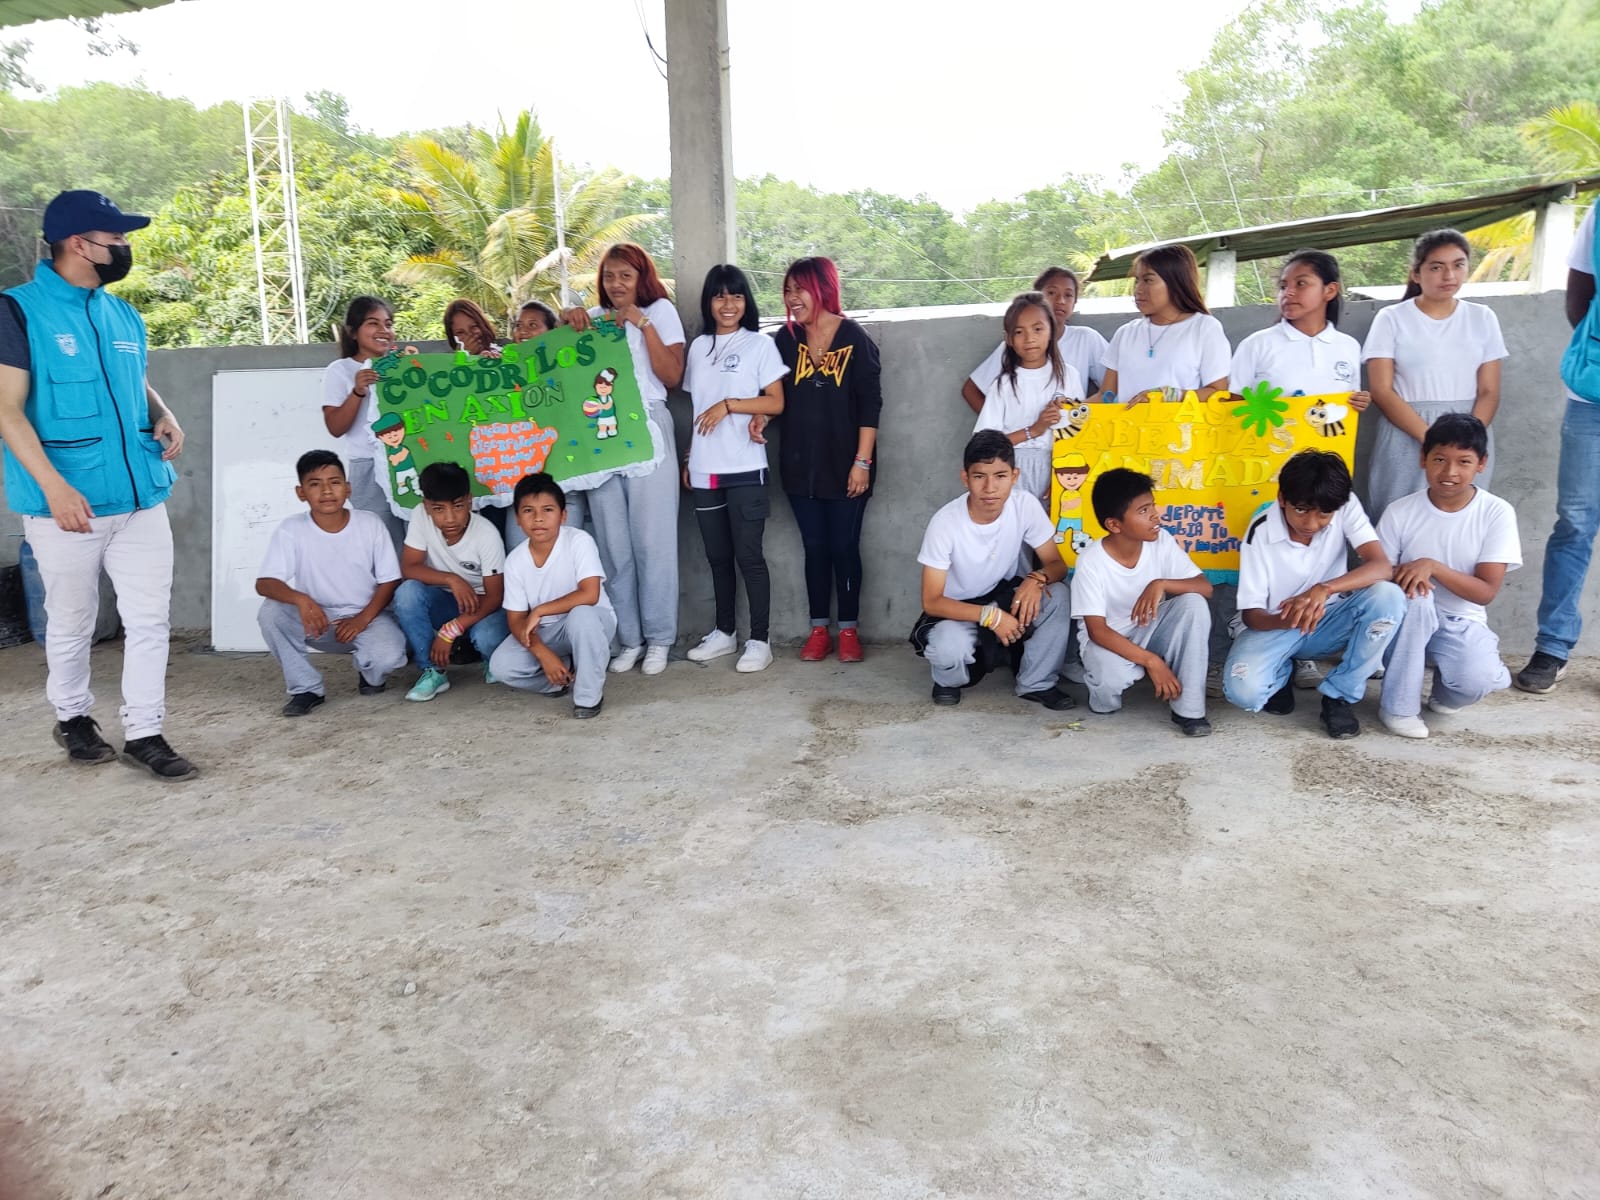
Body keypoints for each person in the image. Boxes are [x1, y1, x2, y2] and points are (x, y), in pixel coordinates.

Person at [0, 188, 196, 779]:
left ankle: (145, 731)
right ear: (79, 244)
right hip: (68, 504)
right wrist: (53, 488)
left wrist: (163, 412)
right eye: (115, 239)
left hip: (140, 497)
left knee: (149, 621)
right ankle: (73, 717)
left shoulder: (123, 314)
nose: (124, 247)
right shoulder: (19, 312)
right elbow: (7, 409)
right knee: (72, 620)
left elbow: (134, 381)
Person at [1229, 248, 1373, 691]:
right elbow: (1232, 412)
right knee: (1267, 557)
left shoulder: (1347, 348)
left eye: (1300, 284)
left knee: (1317, 554)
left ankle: (1306, 649)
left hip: (1324, 480)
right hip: (1268, 478)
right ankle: (1261, 634)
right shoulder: (1258, 345)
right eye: (1283, 285)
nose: (1288, 293)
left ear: (1330, 291)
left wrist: (1357, 405)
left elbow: (1339, 418)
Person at [560, 243, 686, 676]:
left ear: (641, 278)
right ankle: (629, 639)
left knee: (653, 543)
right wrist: (568, 321)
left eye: (625, 276)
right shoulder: (594, 319)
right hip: (600, 433)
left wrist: (642, 323)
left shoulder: (659, 311)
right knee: (613, 547)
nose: (616, 284)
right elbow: (560, 364)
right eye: (609, 276)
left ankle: (660, 639)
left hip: (647, 425)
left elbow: (673, 375)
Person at [1221, 450, 1404, 739]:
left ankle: (1339, 694)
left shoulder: (1342, 503)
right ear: (1282, 498)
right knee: (1243, 691)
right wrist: (1293, 615)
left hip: (1329, 620)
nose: (1311, 523)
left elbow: (1381, 566)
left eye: (1323, 515)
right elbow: (1252, 616)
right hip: (1277, 624)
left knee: (1388, 596)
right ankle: (1281, 671)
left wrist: (1323, 589)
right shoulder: (1260, 532)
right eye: (1301, 510)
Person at [1377, 414, 1520, 738]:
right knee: (1418, 598)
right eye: (1439, 459)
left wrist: (1433, 566)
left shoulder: (1496, 512)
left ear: (1481, 464)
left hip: (1460, 620)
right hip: (1403, 621)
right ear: (1423, 459)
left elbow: (1485, 592)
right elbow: (1377, 575)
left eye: (1463, 461)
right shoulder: (1400, 511)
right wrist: (1412, 577)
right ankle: (1398, 708)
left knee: (1477, 680)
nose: (1450, 472)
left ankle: (1448, 690)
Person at [771, 256, 883, 663]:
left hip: (848, 466)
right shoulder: (784, 340)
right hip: (799, 466)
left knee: (844, 546)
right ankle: (819, 629)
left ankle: (849, 630)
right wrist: (758, 419)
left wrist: (862, 462)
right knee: (814, 547)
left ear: (822, 288)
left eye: (799, 288)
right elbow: (773, 397)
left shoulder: (855, 338)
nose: (792, 298)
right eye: (787, 290)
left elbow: (870, 405)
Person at [912, 430, 1075, 709]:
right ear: (965, 478)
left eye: (1000, 476)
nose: (990, 488)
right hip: (958, 610)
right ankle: (948, 679)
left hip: (1003, 596)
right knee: (949, 649)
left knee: (1057, 595)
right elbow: (932, 601)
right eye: (979, 476)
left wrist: (1036, 579)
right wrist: (991, 617)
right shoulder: (945, 523)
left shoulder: (1024, 504)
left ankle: (1036, 682)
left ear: (1014, 476)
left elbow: (1056, 564)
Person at [681, 264, 787, 673]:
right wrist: (691, 456)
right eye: (720, 296)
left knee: (749, 557)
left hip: (745, 467)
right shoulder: (698, 348)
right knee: (717, 557)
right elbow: (696, 408)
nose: (728, 304)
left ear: (747, 302)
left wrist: (729, 406)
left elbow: (776, 401)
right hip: (705, 470)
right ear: (709, 302)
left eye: (737, 295)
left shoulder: (759, 345)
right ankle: (724, 633)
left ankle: (760, 641)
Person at [1362, 229, 1508, 522]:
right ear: (1416, 273)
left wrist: (1466, 444)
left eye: (1458, 265)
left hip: (1468, 431)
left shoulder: (1482, 317)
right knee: (1397, 516)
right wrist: (1432, 441)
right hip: (1406, 430)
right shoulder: (1391, 319)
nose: (1449, 275)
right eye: (1436, 267)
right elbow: (1382, 390)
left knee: (1461, 518)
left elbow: (1489, 391)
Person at [1516, 203, 1600, 694]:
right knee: (1575, 522)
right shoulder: (1599, 213)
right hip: (1591, 397)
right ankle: (1553, 645)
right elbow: (1579, 297)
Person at [255, 450, 407, 717]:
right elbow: (265, 583)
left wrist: (361, 620)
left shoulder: (369, 524)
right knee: (271, 613)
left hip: (368, 617)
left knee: (389, 655)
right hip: (318, 620)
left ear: (348, 488)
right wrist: (302, 600)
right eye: (315, 484)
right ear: (301, 493)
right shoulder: (291, 529)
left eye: (334, 482)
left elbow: (390, 580)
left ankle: (369, 674)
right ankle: (306, 688)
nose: (326, 491)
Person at [1072, 467, 1214, 736]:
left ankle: (1189, 711)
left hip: (1150, 628)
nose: (1155, 516)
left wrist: (1161, 583)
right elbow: (1097, 631)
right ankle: (1103, 692)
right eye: (1143, 511)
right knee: (1109, 679)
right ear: (1114, 525)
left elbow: (1204, 587)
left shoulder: (1161, 541)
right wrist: (1152, 662)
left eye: (1153, 506)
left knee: (1193, 604)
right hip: (1109, 639)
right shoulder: (1091, 561)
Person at [489, 472, 617, 718]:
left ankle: (588, 697)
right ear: (517, 519)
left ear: (563, 515)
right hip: (548, 633)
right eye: (528, 511)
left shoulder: (579, 541)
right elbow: (516, 620)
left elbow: (590, 594)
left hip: (593, 623)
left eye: (547, 510)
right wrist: (543, 653)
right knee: (502, 666)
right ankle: (561, 679)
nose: (538, 518)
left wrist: (540, 610)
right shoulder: (515, 561)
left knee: (581, 615)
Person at [394, 461, 510, 702]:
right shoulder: (420, 516)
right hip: (446, 600)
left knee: (487, 638)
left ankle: (492, 659)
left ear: (469, 500)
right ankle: (433, 671)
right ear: (426, 506)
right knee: (407, 593)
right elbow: (409, 567)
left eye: (457, 506)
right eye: (438, 509)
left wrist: (450, 631)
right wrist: (451, 579)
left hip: (484, 606)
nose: (450, 518)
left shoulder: (486, 534)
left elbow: (495, 597)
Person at [971, 291, 1083, 504]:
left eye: (1038, 329)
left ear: (1052, 331)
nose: (1029, 338)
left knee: (1054, 524)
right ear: (1008, 339)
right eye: (1019, 332)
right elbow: (985, 446)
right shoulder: (1003, 385)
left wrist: (1064, 475)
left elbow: (1078, 435)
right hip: (1011, 470)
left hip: (1060, 467)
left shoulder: (1069, 376)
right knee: (1015, 522)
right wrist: (1035, 430)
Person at [1094, 244, 1229, 405]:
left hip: (1179, 422)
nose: (1138, 290)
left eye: (1148, 280)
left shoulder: (1204, 328)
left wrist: (1170, 395)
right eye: (1137, 281)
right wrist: (1071, 407)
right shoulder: (1126, 333)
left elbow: (1218, 394)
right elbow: (1105, 396)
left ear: (1175, 282)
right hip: (1125, 422)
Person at [961, 266, 1107, 413]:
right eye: (1051, 293)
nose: (1061, 300)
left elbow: (1111, 388)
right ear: (1037, 299)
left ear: (1075, 302)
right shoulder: (1018, 345)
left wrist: (1077, 412)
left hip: (1071, 426)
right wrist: (998, 424)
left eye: (1068, 295)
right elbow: (971, 390)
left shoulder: (1086, 339)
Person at [322, 296, 404, 542]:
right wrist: (358, 391)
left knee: (419, 540)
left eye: (388, 324)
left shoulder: (401, 367)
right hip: (368, 466)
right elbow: (335, 427)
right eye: (373, 323)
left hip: (406, 461)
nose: (383, 330)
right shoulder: (340, 370)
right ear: (353, 332)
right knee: (381, 541)